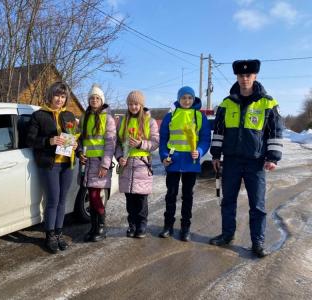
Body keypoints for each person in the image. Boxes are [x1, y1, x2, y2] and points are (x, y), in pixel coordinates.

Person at [209, 59, 284, 258]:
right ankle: (227, 235)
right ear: (237, 77)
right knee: (228, 201)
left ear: (255, 76)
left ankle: (258, 242)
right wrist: (216, 155)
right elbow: (218, 131)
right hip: (232, 160)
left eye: (248, 75)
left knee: (257, 205)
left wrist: (273, 157)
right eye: (241, 76)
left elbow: (275, 132)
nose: (244, 79)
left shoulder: (268, 102)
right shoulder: (226, 103)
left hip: (256, 161)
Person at [26, 81, 78, 254]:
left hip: (67, 164)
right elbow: (30, 140)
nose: (59, 99)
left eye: (63, 97)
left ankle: (58, 233)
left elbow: (75, 137)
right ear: (50, 95)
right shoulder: (39, 115)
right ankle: (49, 235)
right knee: (53, 200)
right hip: (50, 164)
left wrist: (76, 145)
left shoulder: (69, 115)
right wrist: (48, 141)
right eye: (57, 95)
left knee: (63, 200)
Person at [158, 86, 211, 241]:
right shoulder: (170, 116)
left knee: (188, 196)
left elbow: (205, 139)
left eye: (189, 98)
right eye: (183, 98)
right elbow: (163, 140)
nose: (186, 101)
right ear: (178, 99)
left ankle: (185, 228)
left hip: (191, 162)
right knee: (171, 195)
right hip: (173, 162)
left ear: (193, 99)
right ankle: (168, 226)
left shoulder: (200, 117)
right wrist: (163, 156)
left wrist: (200, 151)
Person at [115, 90, 159, 238]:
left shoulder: (149, 121)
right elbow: (118, 144)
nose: (133, 107)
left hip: (142, 165)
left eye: (136, 104)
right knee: (130, 200)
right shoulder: (122, 121)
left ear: (141, 105)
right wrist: (120, 156)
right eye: (130, 104)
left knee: (141, 200)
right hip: (126, 166)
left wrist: (140, 144)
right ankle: (131, 225)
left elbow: (155, 143)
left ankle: (141, 226)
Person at [78, 84, 116, 242]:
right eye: (92, 98)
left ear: (102, 100)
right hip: (87, 163)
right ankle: (94, 227)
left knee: (94, 195)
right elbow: (80, 138)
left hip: (100, 164)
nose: (94, 100)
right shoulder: (84, 117)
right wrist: (80, 152)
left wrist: (105, 165)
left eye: (97, 98)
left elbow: (110, 143)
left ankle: (101, 227)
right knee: (91, 194)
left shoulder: (108, 118)